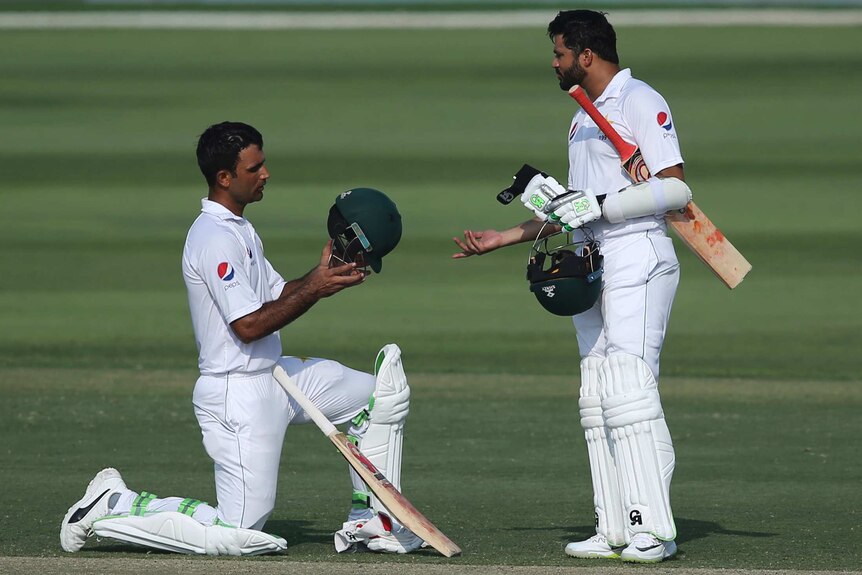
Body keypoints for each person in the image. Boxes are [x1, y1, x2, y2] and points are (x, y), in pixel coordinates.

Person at [61, 121, 421, 555]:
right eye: (256, 167)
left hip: (276, 378)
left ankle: (374, 520)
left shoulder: (241, 230)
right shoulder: (213, 237)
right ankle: (112, 504)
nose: (266, 173)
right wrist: (315, 288)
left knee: (378, 396)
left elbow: (277, 297)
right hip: (237, 392)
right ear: (225, 178)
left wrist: (323, 276)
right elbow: (248, 327)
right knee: (239, 532)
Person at [453, 10, 688, 563]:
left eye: (559, 53)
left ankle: (654, 527)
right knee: (599, 395)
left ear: (586, 54)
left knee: (633, 393)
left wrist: (602, 205)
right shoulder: (582, 115)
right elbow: (578, 208)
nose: (553, 63)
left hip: (639, 254)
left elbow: (675, 189)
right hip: (593, 259)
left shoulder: (639, 100)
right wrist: (506, 236)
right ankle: (614, 527)